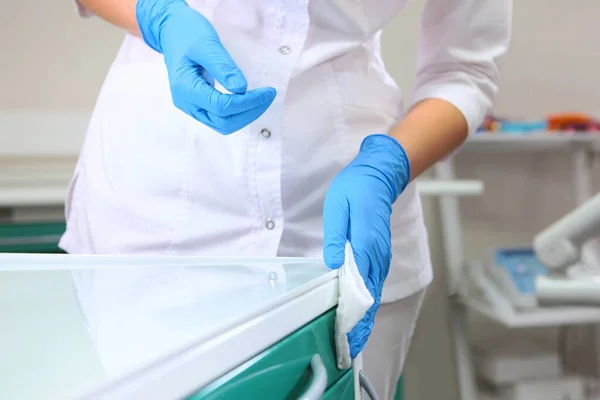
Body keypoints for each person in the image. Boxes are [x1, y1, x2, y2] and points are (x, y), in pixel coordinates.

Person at [62, 0, 511, 398]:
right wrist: (155, 15)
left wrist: (389, 163)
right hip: (154, 212)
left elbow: (464, 71)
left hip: (338, 220)